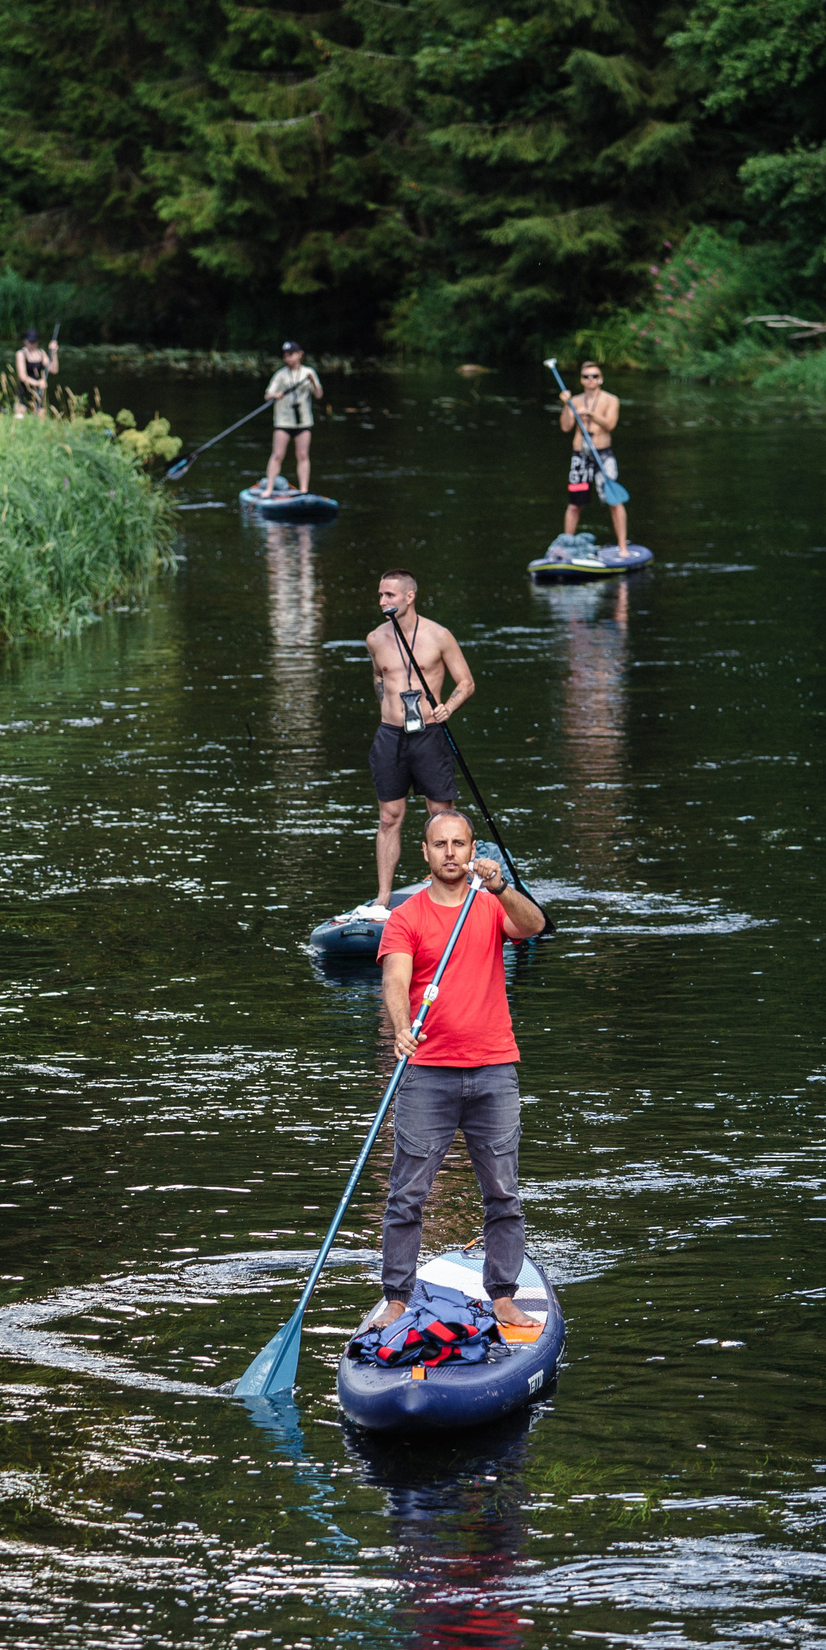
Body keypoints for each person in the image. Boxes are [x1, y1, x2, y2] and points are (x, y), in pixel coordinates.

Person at [367, 811, 548, 1332]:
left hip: (494, 1069)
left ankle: (504, 1296)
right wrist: (402, 1028)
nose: (450, 852)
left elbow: (534, 926)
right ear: (424, 853)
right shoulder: (407, 916)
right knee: (407, 1194)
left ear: (472, 851)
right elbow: (396, 982)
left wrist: (503, 887)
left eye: (459, 844)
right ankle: (397, 1297)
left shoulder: (488, 905)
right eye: (439, 844)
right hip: (428, 1074)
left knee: (503, 1193)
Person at [349, 569, 475, 921]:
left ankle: (449, 889)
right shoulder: (375, 638)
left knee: (441, 817)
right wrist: (387, 709)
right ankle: (383, 897)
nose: (382, 602)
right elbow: (378, 675)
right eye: (379, 595)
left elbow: (466, 682)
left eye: (389, 595)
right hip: (390, 736)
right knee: (389, 817)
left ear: (409, 596)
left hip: (429, 735)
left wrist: (447, 707)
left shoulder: (438, 635)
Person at [558, 359, 630, 550]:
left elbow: (610, 425)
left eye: (594, 376)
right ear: (581, 380)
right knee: (574, 505)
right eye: (586, 376)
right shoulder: (574, 401)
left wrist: (591, 414)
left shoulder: (611, 400)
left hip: (603, 455)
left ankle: (623, 547)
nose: (590, 379)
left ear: (600, 379)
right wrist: (567, 405)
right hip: (580, 456)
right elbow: (565, 427)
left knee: (614, 502)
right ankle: (566, 547)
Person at [256, 341, 326, 495]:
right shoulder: (281, 375)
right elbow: (267, 396)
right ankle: (268, 489)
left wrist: (313, 381)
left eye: (291, 355)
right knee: (278, 455)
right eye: (286, 356)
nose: (288, 359)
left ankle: (304, 489)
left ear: (299, 355)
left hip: (303, 422)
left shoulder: (308, 372)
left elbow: (319, 395)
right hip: (283, 422)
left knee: (302, 455)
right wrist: (275, 395)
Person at [13, 328, 58, 417]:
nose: (32, 344)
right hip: (24, 392)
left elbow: (54, 370)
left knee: (41, 418)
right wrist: (38, 383)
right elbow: (22, 376)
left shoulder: (41, 353)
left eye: (34, 342)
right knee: (21, 418)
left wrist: (54, 353)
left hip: (38, 394)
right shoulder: (21, 353)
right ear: (25, 341)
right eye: (30, 342)